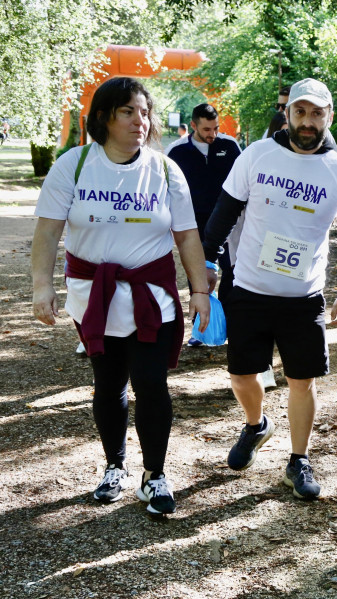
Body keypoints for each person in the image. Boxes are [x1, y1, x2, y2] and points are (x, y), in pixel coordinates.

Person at [30, 77, 211, 515]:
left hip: (153, 295)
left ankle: (155, 476)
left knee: (151, 382)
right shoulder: (73, 165)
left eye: (144, 112)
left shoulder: (166, 170)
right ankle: (115, 465)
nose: (140, 120)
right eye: (128, 111)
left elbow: (186, 236)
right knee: (108, 383)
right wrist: (41, 283)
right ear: (105, 117)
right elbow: (49, 229)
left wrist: (200, 289)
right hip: (95, 296)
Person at [201, 78, 337, 500]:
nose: (308, 121)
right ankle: (256, 425)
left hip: (302, 298)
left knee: (302, 380)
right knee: (241, 375)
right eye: (300, 112)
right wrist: (205, 262)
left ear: (329, 117)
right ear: (288, 113)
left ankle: (298, 460)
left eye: (317, 113)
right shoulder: (257, 155)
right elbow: (224, 214)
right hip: (248, 290)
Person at [166, 103, 241, 347]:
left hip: (229, 221)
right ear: (194, 126)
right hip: (193, 223)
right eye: (207, 129)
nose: (213, 134)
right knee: (198, 274)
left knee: (232, 271)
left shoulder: (229, 147)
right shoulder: (176, 152)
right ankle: (201, 329)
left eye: (216, 128)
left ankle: (231, 324)